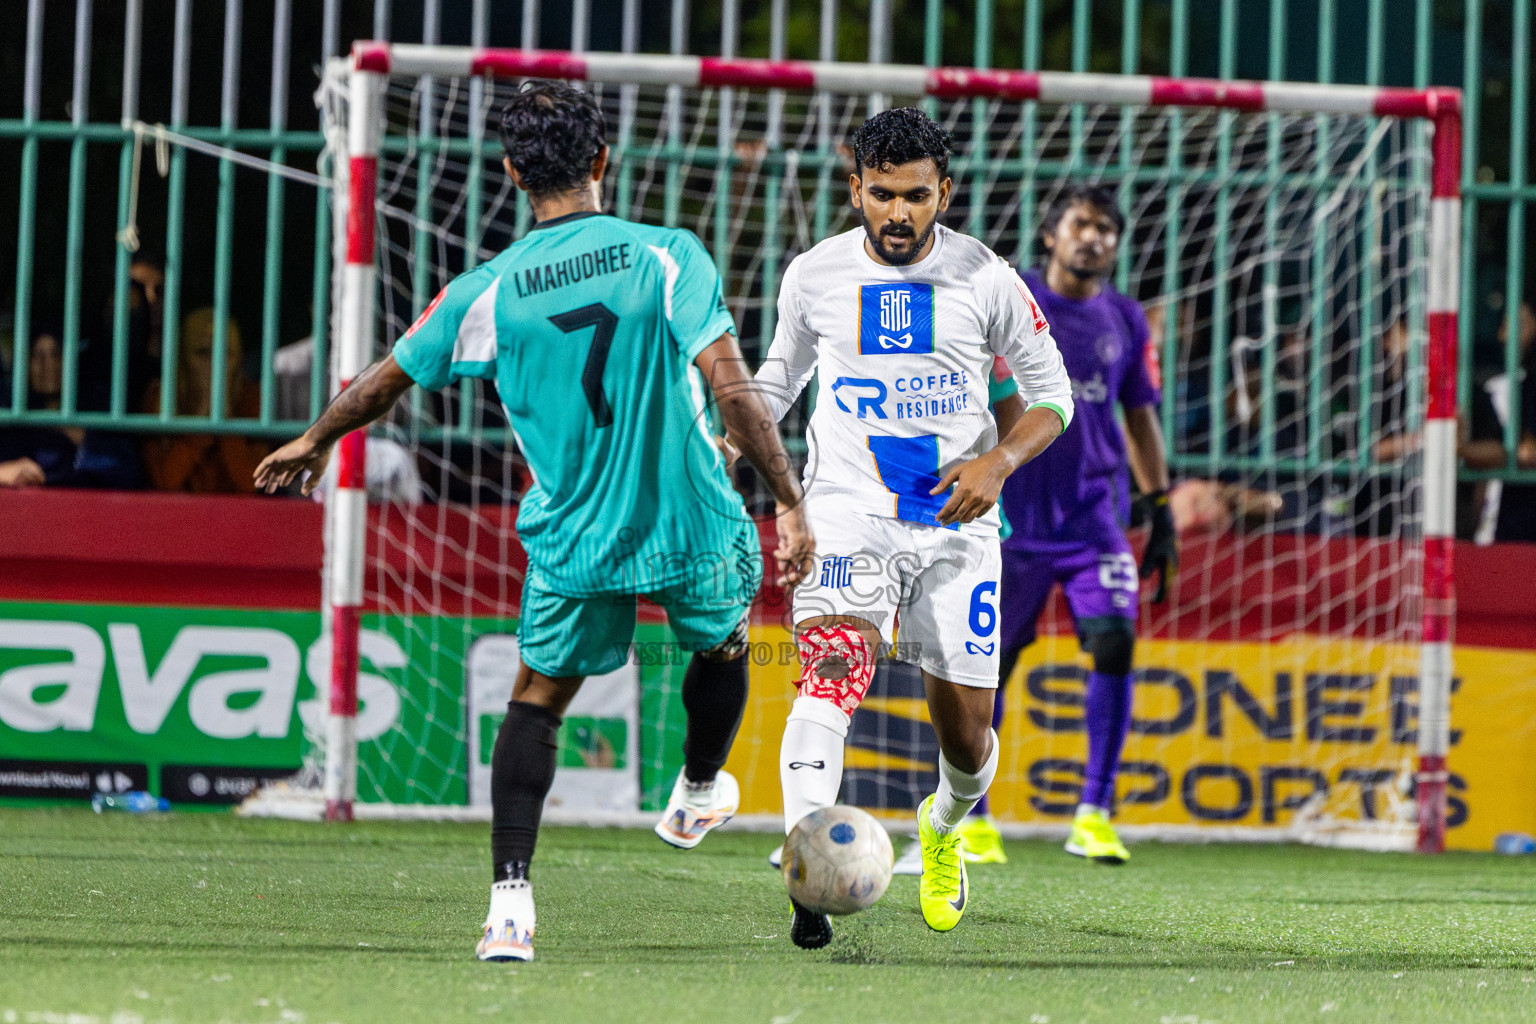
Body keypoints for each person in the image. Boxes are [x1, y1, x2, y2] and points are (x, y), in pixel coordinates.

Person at [253, 82, 814, 964]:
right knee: (726, 646)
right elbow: (733, 391)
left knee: (538, 703)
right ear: (602, 163)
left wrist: (317, 438)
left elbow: (386, 378)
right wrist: (788, 499)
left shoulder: (488, 290)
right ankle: (700, 786)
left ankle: (509, 906)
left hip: (576, 539)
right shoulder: (667, 254)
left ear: (512, 172)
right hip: (692, 523)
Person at [754, 107, 1073, 946]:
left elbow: (1054, 398)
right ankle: (806, 865)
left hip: (956, 522)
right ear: (855, 187)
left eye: (918, 198)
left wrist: (997, 463)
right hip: (847, 511)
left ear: (945, 193)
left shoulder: (988, 278)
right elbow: (775, 387)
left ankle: (941, 828)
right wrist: (728, 449)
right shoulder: (812, 276)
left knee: (966, 739)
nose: (899, 214)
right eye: (883, 195)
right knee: (830, 673)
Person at [956, 184, 1175, 869]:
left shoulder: (1125, 319)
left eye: (1107, 228)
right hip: (1012, 517)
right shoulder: (1006, 298)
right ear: (1050, 235)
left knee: (1114, 644)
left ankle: (1094, 812)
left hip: (1092, 520)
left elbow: (1138, 414)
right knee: (990, 666)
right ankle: (971, 817)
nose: (1096, 238)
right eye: (1082, 224)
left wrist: (1161, 503)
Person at [0, 321, 143, 489]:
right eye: (37, 355)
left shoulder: (96, 407)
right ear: (25, 364)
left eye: (56, 353)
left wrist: (81, 438)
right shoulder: (9, 411)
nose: (48, 365)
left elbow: (128, 474)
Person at [142, 309, 271, 493]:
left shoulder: (251, 396)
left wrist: (224, 419)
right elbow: (165, 481)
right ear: (184, 356)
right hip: (178, 514)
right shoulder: (161, 397)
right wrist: (201, 420)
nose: (215, 363)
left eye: (225, 353)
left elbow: (251, 482)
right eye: (203, 352)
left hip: (235, 516)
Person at [1466, 300, 1536, 542]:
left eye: (1517, 325)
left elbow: (1526, 454)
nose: (1504, 336)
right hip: (1508, 529)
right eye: (1505, 325)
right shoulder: (1509, 389)